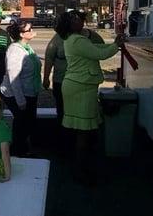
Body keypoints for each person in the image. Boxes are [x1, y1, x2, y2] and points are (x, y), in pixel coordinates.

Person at [54, 11, 123, 182]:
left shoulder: (73, 39)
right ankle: (81, 172)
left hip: (78, 86)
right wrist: (116, 46)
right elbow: (100, 54)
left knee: (82, 130)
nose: (80, 20)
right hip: (81, 88)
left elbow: (96, 48)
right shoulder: (77, 40)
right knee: (83, 132)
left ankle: (79, 167)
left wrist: (114, 44)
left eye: (80, 17)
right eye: (75, 19)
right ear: (68, 24)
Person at [43, 12, 105, 129]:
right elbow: (49, 57)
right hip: (61, 82)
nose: (76, 22)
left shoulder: (93, 36)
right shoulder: (59, 37)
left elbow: (101, 51)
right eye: (73, 20)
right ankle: (65, 140)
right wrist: (46, 78)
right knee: (63, 113)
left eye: (79, 20)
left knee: (84, 113)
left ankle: (82, 138)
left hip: (85, 83)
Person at [0, 20, 42, 156]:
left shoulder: (27, 47)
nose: (31, 31)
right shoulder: (15, 50)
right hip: (18, 94)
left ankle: (25, 149)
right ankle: (17, 151)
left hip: (30, 92)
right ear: (21, 34)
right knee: (21, 124)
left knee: (28, 122)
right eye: (28, 30)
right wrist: (20, 100)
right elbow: (13, 77)